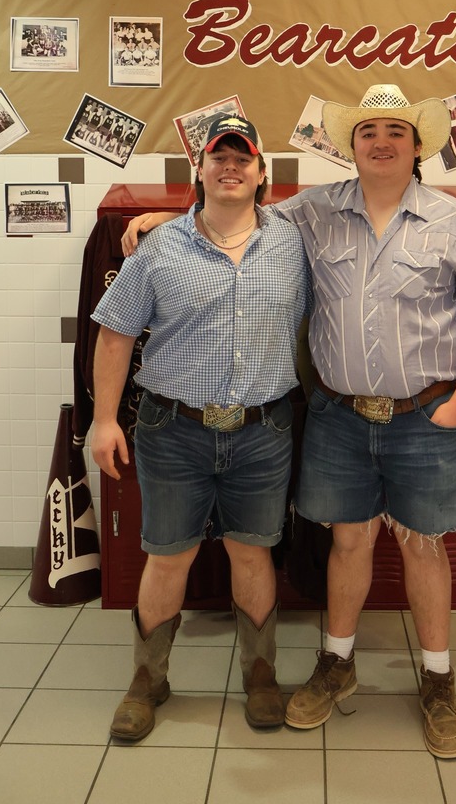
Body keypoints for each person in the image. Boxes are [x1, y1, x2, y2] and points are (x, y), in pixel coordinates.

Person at [121, 84, 456, 758]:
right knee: (349, 542)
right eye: (367, 132)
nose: (381, 142)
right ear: (350, 146)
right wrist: (165, 217)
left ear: (416, 144)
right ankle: (336, 663)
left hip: (426, 416)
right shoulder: (311, 212)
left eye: (395, 130)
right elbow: (233, 210)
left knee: (423, 546)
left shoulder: (452, 221)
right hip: (336, 416)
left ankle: (438, 681)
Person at [91, 115, 310, 743]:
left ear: (262, 173)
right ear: (201, 170)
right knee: (168, 556)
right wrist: (105, 420)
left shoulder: (294, 242)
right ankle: (147, 681)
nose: (231, 166)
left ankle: (261, 674)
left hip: (264, 428)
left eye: (244, 157)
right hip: (173, 427)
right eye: (220, 157)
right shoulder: (159, 248)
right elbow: (115, 334)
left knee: (252, 549)